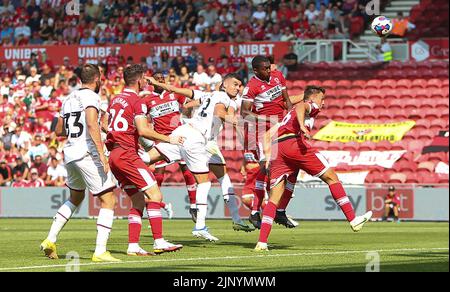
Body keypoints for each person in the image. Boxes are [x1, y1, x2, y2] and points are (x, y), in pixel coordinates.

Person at [254, 86, 373, 251]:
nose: (323, 103)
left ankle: (262, 242)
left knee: (274, 197)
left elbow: (266, 136)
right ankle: (353, 219)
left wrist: (264, 159)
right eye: (322, 99)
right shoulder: (309, 105)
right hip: (294, 144)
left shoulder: (286, 118)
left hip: (278, 149)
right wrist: (302, 126)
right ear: (313, 98)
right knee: (332, 177)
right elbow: (301, 106)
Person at [142, 72, 252, 241]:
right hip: (197, 139)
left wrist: (156, 83)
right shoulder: (226, 99)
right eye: (235, 84)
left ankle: (236, 219)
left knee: (147, 158)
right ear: (224, 85)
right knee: (205, 183)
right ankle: (200, 226)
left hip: (185, 133)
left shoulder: (209, 95)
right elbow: (220, 112)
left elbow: (176, 90)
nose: (238, 88)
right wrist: (242, 123)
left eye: (239, 85)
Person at [40, 64, 119, 262]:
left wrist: (77, 129)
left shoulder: (67, 99)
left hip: (70, 153)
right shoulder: (92, 97)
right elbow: (92, 124)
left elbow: (59, 130)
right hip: (86, 153)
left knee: (76, 197)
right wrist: (102, 155)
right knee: (108, 200)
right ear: (97, 79)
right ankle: (100, 251)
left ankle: (50, 239)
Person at [105, 64, 184, 256]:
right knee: (155, 196)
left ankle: (133, 246)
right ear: (140, 80)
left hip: (114, 155)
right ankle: (158, 241)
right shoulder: (137, 101)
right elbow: (144, 130)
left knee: (138, 200)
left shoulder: (115, 99)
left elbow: (104, 125)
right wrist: (169, 139)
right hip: (127, 155)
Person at [240, 55, 295, 229]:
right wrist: (268, 119)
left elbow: (286, 99)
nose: (268, 70)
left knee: (292, 168)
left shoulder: (278, 75)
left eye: (269, 66)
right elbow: (244, 113)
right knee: (266, 169)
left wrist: (289, 117)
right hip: (263, 133)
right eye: (264, 68)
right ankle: (256, 211)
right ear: (256, 70)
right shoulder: (251, 87)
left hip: (283, 129)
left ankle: (279, 211)